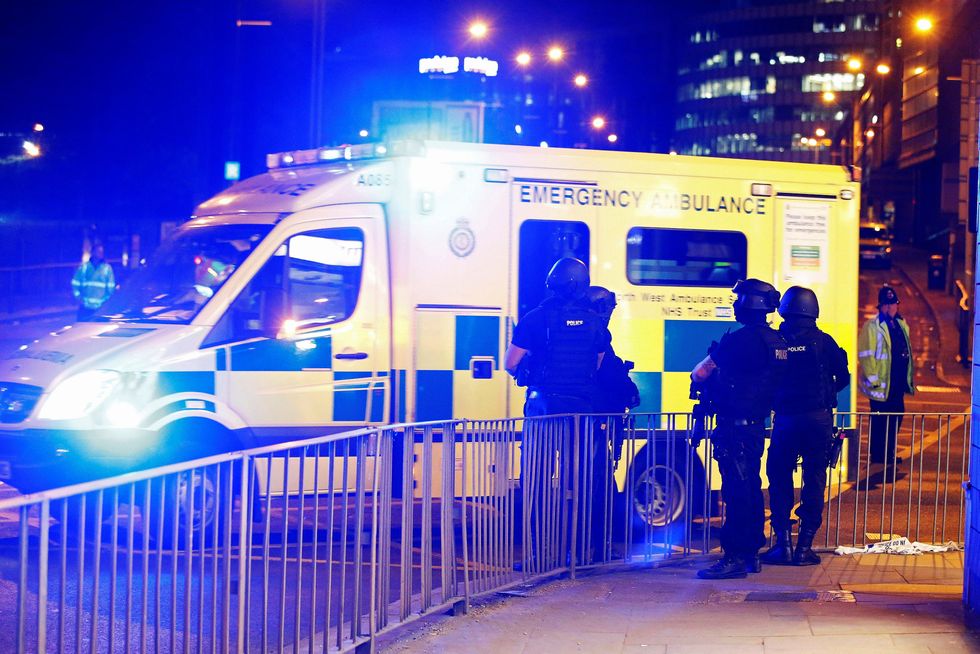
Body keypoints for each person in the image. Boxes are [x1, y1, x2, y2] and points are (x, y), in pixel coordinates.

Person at [505, 258, 609, 567]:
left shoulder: (536, 319)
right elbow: (596, 364)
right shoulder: (595, 322)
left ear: (553, 284)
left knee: (537, 483)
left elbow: (511, 363)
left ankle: (540, 556)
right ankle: (579, 554)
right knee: (581, 483)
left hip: (544, 410)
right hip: (581, 412)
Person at [690, 279, 787, 579]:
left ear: (750, 303)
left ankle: (732, 557)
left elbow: (700, 373)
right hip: (756, 427)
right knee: (751, 489)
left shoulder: (738, 340)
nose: (735, 304)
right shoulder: (777, 341)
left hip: (734, 428)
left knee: (735, 492)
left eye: (739, 299)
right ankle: (751, 554)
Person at [761, 286, 849, 567]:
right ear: (813, 311)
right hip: (818, 420)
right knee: (814, 480)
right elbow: (843, 377)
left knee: (779, 478)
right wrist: (825, 393)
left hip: (786, 420)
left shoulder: (777, 340)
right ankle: (804, 548)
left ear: (785, 309)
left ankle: (783, 545)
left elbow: (765, 378)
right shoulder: (824, 342)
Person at [858, 285, 915, 468]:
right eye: (887, 304)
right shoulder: (872, 326)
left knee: (896, 417)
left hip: (896, 383)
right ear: (881, 306)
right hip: (881, 385)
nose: (890, 307)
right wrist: (873, 379)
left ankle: (889, 453)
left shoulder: (901, 324)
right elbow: (866, 354)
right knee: (880, 421)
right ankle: (878, 455)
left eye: (893, 304)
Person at [71, 241, 115, 320]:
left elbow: (111, 288)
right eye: (98, 251)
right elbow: (75, 284)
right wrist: (79, 298)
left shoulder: (107, 268)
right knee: (82, 327)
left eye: (101, 252)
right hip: (85, 307)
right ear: (92, 252)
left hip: (101, 308)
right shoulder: (84, 267)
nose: (100, 254)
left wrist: (105, 302)